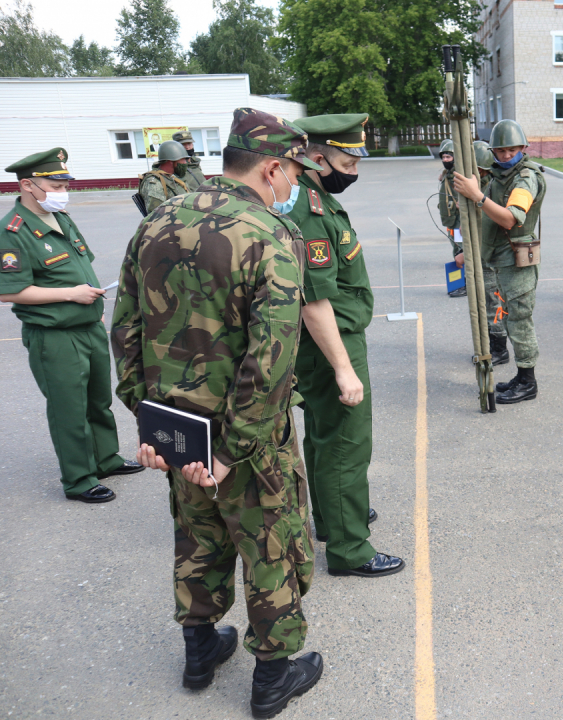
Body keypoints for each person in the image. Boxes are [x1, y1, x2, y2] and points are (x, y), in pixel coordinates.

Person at [111, 108, 325, 717]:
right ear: (272, 167)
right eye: (291, 176)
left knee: (198, 536)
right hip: (244, 441)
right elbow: (273, 355)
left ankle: (199, 652)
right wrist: (236, 449)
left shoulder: (156, 221)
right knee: (270, 546)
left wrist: (150, 425)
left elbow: (124, 328)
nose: (292, 188)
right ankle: (272, 679)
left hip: (177, 429)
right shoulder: (268, 234)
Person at [287, 113, 405, 579]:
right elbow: (314, 302)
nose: (353, 170)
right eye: (347, 161)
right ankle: (350, 549)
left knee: (323, 438)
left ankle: (332, 519)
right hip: (330, 342)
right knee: (345, 444)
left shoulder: (315, 199)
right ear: (317, 158)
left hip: (327, 339)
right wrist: (343, 366)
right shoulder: (309, 212)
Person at [0, 147, 144, 503]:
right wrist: (71, 294)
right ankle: (79, 479)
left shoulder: (61, 219)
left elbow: (81, 264)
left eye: (65, 182)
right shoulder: (12, 231)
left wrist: (88, 299)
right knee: (69, 409)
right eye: (55, 183)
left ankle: (106, 459)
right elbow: (10, 292)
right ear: (28, 185)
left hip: (89, 325)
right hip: (54, 335)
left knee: (98, 400)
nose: (63, 189)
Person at [453, 119, 545, 404]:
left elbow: (508, 218)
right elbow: (488, 221)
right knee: (508, 318)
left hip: (517, 260)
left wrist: (477, 196)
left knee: (519, 320)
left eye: (511, 150)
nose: (505, 155)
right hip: (499, 257)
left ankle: (528, 381)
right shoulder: (500, 177)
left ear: (523, 147)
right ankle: (521, 375)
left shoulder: (525, 178)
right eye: (500, 150)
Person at [473, 140, 509, 365]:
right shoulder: (479, 188)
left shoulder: (491, 189)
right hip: (481, 251)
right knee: (485, 301)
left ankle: (499, 348)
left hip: (491, 254)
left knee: (493, 300)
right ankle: (490, 343)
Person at [438, 139, 468, 298]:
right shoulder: (448, 174)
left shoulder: (459, 176)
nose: (445, 160)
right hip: (451, 222)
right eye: (443, 157)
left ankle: (466, 284)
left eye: (448, 157)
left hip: (459, 223)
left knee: (462, 252)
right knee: (457, 250)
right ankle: (461, 283)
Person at [137, 140, 191, 214]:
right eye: (183, 159)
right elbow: (156, 214)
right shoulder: (154, 182)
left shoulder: (175, 178)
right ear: (171, 161)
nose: (185, 162)